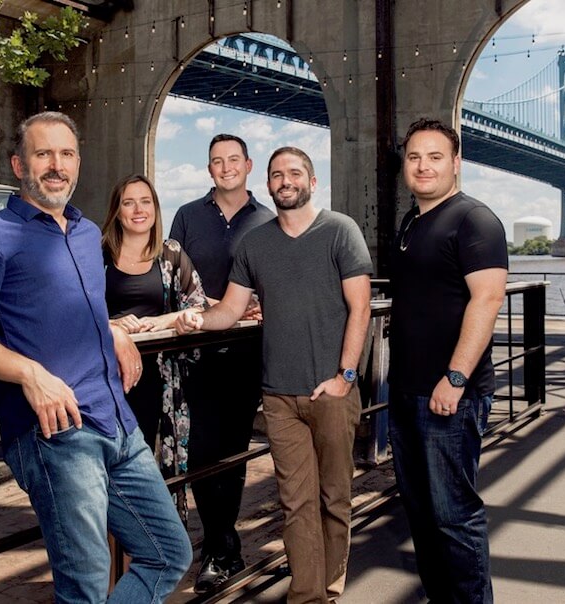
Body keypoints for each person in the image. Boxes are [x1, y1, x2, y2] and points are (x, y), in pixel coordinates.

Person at [0, 112, 191, 603]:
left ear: (78, 163)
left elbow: (70, 307)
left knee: (168, 553)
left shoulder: (86, 232)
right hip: (57, 433)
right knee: (86, 586)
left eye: (67, 153)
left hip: (117, 421)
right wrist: (29, 372)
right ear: (19, 165)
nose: (57, 165)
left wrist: (111, 329)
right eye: (43, 153)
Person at [176, 146, 373, 604]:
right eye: (277, 174)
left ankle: (330, 589)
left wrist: (345, 376)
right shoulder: (255, 243)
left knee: (334, 498)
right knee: (296, 503)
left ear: (312, 181)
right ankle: (306, 596)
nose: (286, 181)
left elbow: (360, 307)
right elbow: (229, 310)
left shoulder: (341, 231)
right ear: (267, 184)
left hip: (331, 391)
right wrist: (194, 320)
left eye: (295, 173)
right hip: (279, 398)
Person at [388, 117, 509, 604]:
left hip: (450, 395)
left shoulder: (474, 219)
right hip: (406, 392)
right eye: (414, 157)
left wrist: (455, 378)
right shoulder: (412, 222)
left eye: (435, 157)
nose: (423, 166)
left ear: (456, 163)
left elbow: (488, 299)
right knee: (421, 515)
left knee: (454, 516)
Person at [168, 133, 274, 592]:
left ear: (248, 165)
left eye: (234, 159)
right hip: (193, 354)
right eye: (217, 160)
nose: (226, 167)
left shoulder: (268, 220)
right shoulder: (187, 216)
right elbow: (170, 278)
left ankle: (220, 550)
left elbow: (277, 285)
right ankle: (220, 547)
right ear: (209, 168)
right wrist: (218, 306)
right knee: (198, 452)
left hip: (245, 355)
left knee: (230, 453)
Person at [101, 174, 207, 520]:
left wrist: (162, 322)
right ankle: (113, 549)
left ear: (155, 208)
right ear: (117, 211)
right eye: (128, 202)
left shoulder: (170, 253)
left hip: (159, 382)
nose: (138, 210)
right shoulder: (97, 253)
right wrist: (112, 325)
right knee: (111, 471)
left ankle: (154, 543)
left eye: (145, 201)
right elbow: (74, 309)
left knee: (152, 467)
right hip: (107, 380)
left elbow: (199, 304)